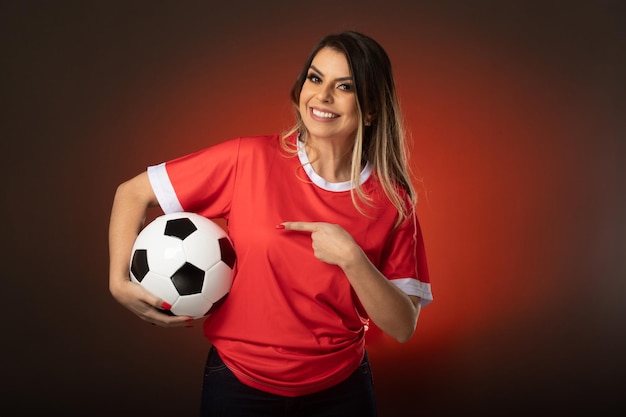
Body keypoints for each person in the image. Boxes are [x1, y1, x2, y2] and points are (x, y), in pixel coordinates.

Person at [108, 30, 433, 417]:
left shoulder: (392, 200)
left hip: (341, 390)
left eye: (344, 86)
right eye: (315, 78)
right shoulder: (250, 159)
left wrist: (351, 257)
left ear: (372, 107)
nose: (323, 95)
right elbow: (132, 194)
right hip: (238, 385)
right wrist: (117, 281)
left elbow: (402, 327)